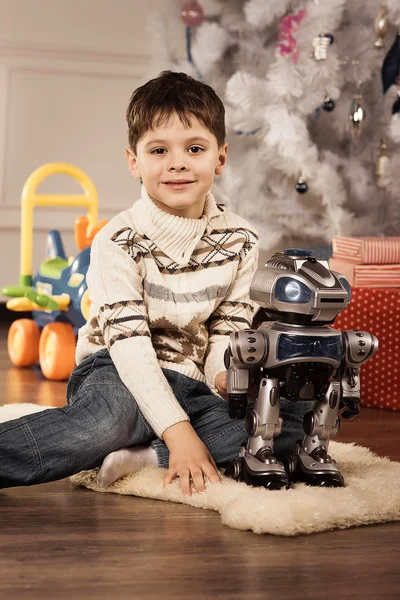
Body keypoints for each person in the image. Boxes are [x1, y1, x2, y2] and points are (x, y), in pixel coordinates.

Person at [0, 71, 309, 494]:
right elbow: (131, 351)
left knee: (283, 423)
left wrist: (224, 378)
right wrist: (179, 431)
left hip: (193, 380)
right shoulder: (117, 241)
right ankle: (155, 437)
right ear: (134, 162)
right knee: (102, 426)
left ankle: (147, 456)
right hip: (118, 371)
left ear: (220, 157)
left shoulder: (242, 240)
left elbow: (227, 332)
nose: (177, 163)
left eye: (195, 148)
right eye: (159, 150)